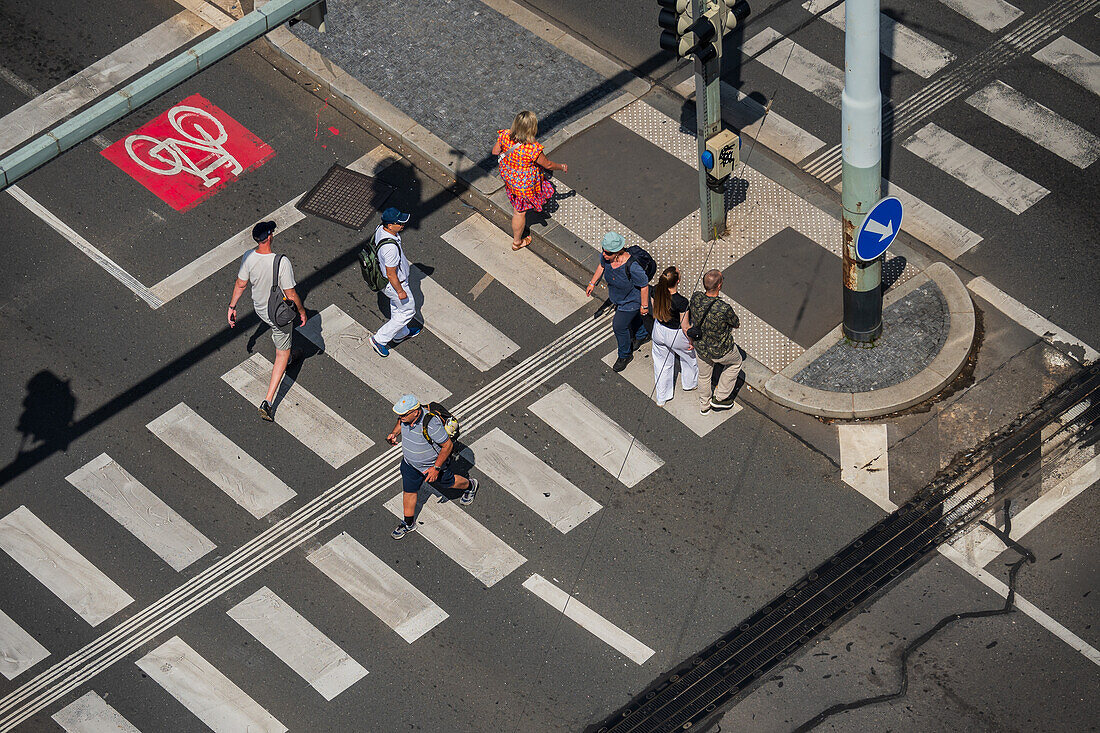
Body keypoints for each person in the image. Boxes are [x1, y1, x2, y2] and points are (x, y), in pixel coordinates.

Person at [228, 220, 307, 421]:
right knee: (281, 352)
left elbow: (240, 284)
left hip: (261, 310)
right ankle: (268, 401)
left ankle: (289, 356)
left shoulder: (248, 257)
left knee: (279, 337)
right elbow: (290, 293)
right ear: (270, 236)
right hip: (278, 314)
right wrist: (301, 311)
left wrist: (232, 307)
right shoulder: (281, 262)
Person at [387, 394, 479, 539]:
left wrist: (436, 468)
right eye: (399, 414)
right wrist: (394, 433)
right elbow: (400, 422)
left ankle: (470, 486)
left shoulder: (430, 424)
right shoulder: (406, 418)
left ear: (415, 412)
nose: (401, 417)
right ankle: (408, 523)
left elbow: (447, 446)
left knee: (449, 482)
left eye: (403, 414)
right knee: (409, 492)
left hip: (431, 468)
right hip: (410, 464)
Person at [492, 111, 567, 250]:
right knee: (519, 213)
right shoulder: (533, 148)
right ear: (532, 128)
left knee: (518, 204)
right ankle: (517, 242)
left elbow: (495, 152)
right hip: (524, 186)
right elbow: (548, 165)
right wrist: (561, 167)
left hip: (509, 179)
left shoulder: (504, 135)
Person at [586, 232, 650, 372]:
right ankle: (641, 335)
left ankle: (625, 355)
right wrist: (592, 283)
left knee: (619, 327)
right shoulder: (607, 258)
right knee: (632, 321)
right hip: (619, 298)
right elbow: (601, 266)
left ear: (617, 252)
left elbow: (644, 285)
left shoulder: (632, 266)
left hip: (631, 302)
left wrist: (644, 306)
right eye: (603, 250)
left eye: (607, 252)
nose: (604, 254)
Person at [369, 207, 422, 358]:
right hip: (395, 284)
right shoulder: (390, 248)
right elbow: (392, 274)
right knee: (408, 310)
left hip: (388, 283)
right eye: (399, 223)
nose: (403, 225)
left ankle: (401, 333)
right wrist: (400, 291)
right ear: (390, 225)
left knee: (398, 307)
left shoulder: (381, 229)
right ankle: (379, 339)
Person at [689, 270, 742, 415]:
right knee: (735, 363)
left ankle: (704, 405)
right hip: (721, 349)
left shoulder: (696, 297)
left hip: (700, 347)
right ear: (719, 285)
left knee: (704, 376)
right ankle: (720, 398)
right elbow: (736, 323)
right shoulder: (723, 308)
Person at [650, 266, 698, 406]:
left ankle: (661, 397)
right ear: (677, 281)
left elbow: (655, 311)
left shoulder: (655, 290)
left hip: (658, 330)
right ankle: (690, 383)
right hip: (676, 334)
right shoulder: (681, 302)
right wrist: (691, 341)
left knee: (661, 364)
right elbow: (685, 326)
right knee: (689, 358)